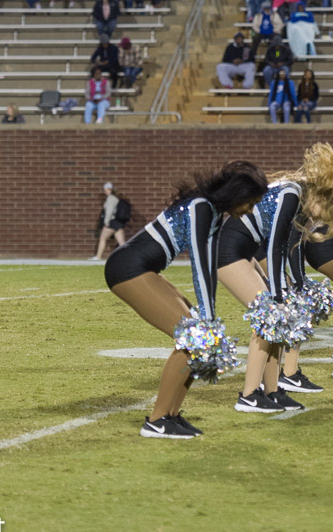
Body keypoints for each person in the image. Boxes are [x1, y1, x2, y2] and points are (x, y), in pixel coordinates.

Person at [104, 161, 268, 438]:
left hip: (144, 269)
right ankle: (157, 420)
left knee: (200, 339)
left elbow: (211, 266)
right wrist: (207, 316)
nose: (251, 209)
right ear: (236, 195)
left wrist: (209, 315)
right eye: (250, 202)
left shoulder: (213, 212)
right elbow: (200, 265)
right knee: (195, 338)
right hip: (128, 268)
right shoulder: (200, 207)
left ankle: (171, 416)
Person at [92, 183, 129, 260]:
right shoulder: (116, 198)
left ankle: (98, 256)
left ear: (108, 190)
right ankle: (128, 257)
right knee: (122, 242)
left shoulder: (110, 198)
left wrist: (106, 222)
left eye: (105, 190)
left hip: (111, 222)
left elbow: (109, 211)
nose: (104, 192)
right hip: (118, 223)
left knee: (102, 238)